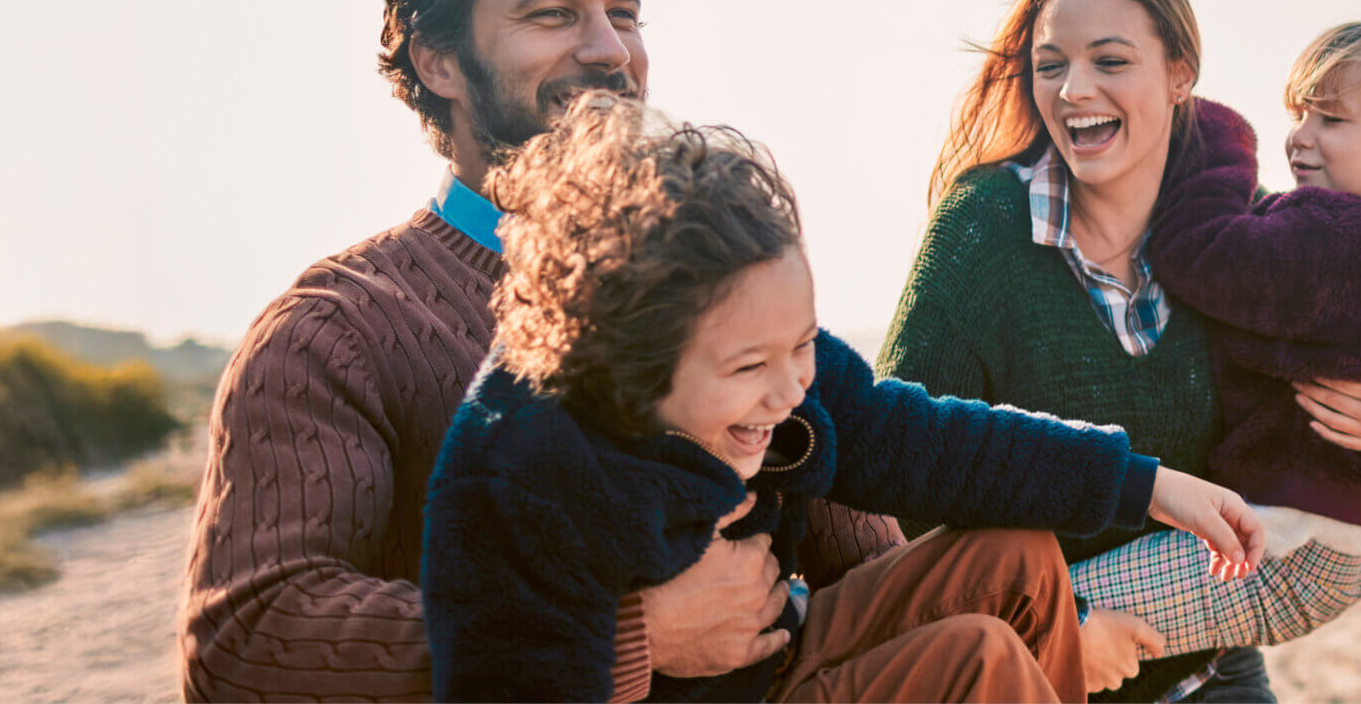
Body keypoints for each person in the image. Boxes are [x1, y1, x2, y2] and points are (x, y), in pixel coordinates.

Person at [176, 0, 904, 701]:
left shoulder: (717, 274)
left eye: (624, 13)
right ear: (438, 61)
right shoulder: (336, 330)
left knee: (1004, 571)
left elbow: (872, 569)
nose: (610, 50)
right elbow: (245, 640)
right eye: (554, 14)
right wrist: (626, 632)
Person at [420, 94, 1265, 702]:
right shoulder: (527, 474)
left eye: (802, 343)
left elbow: (924, 441)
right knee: (978, 662)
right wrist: (641, 638)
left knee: (1016, 555)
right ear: (627, 362)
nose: (792, 386)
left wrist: (1144, 483)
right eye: (750, 368)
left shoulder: (764, 355)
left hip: (777, 655)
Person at [881, 0, 1361, 702]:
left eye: (1110, 61)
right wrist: (1062, 629)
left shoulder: (1235, 227)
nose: (1074, 89)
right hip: (1040, 677)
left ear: (1180, 75)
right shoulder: (985, 231)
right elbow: (896, 459)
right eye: (1051, 65)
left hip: (1212, 672)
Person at [1072, 18, 1361, 657]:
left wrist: (1217, 136)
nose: (1300, 138)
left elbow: (1201, 252)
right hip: (1324, 535)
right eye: (1299, 115)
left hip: (1291, 540)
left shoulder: (1342, 239)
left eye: (1331, 120)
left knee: (1045, 615)